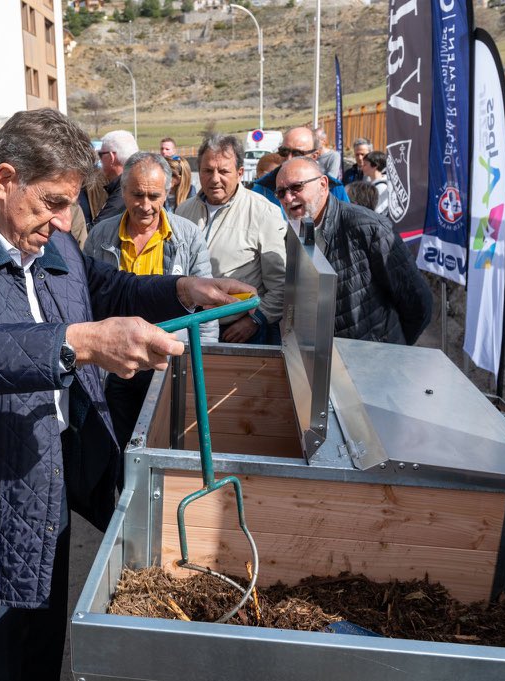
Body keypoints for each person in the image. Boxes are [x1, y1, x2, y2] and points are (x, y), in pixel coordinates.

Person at [0, 108, 254, 681]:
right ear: (7, 180)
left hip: (48, 474)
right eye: (54, 202)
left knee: (43, 644)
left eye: (70, 204)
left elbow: (105, 286)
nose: (65, 221)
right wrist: (79, 342)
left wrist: (181, 288)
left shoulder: (51, 242)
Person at [85, 151, 217, 450]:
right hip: (117, 366)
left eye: (154, 196)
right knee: (116, 448)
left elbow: (206, 311)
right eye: (137, 195)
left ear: (168, 191)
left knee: (165, 444)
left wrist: (202, 364)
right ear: (123, 191)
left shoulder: (189, 237)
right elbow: (88, 299)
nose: (145, 206)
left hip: (169, 365)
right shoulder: (101, 236)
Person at [276, 157, 432, 344]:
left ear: (323, 184)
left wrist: (392, 346)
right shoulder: (294, 233)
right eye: (281, 192)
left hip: (374, 361)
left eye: (297, 187)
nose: (288, 198)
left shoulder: (369, 228)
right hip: (325, 361)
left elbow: (418, 303)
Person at [175, 134, 286, 344]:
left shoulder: (264, 213)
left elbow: (280, 285)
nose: (215, 178)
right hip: (189, 329)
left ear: (240, 173)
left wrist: (255, 320)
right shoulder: (183, 211)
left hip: (241, 334)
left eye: (224, 171)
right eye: (208, 170)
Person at [251, 125, 350, 210]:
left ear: (314, 156)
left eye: (297, 154)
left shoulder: (333, 189)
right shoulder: (261, 190)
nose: (289, 159)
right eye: (284, 152)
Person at [94, 129, 138, 225]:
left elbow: (96, 229)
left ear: (111, 157)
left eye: (100, 154)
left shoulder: (123, 193)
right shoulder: (131, 184)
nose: (99, 160)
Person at [361, 150, 390, 215]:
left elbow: (377, 212)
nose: (362, 168)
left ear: (375, 166)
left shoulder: (381, 187)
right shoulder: (370, 184)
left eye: (365, 165)